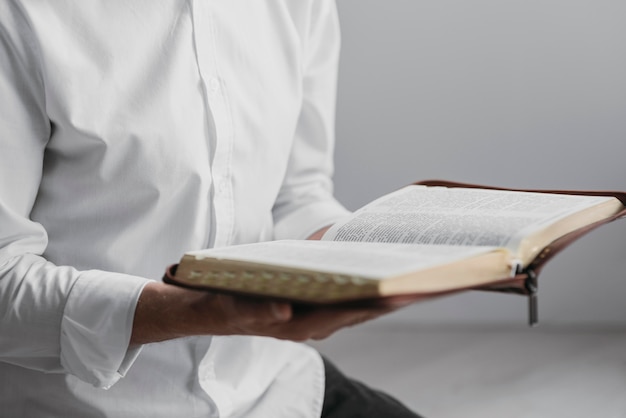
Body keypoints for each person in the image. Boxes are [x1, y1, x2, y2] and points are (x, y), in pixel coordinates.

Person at [0, 1, 422, 416]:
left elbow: (297, 194)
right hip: (78, 404)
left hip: (275, 388)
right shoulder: (19, 14)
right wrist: (192, 311)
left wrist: (360, 255)